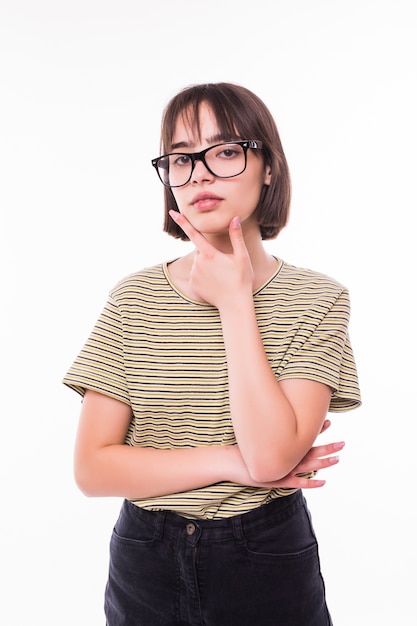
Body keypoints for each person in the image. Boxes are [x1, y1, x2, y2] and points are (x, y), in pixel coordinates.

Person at [63, 82, 361, 626]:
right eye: (181, 158)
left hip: (265, 551)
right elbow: (92, 469)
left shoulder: (318, 299)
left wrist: (234, 301)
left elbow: (271, 459)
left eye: (225, 152)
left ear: (268, 167)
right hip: (144, 556)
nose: (199, 173)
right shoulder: (133, 298)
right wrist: (231, 462)